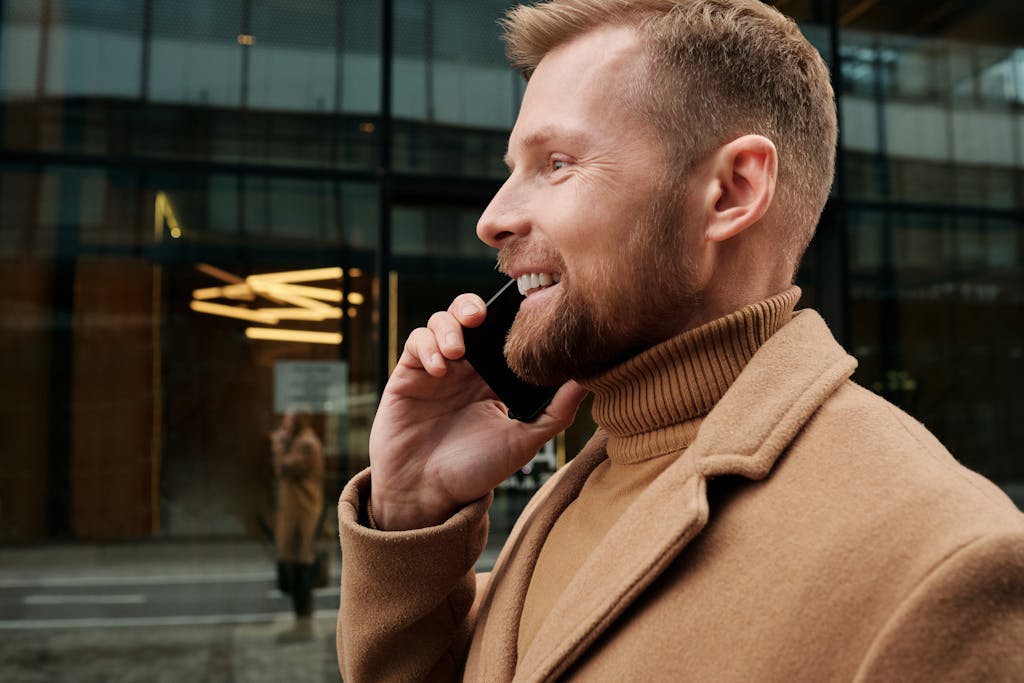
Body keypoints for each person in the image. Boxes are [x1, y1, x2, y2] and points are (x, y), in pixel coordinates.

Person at [337, 0, 1024, 680]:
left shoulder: (943, 565)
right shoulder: (583, 486)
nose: (493, 217)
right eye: (513, 167)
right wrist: (413, 510)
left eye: (556, 162)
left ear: (731, 191)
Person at [270, 406, 324, 641]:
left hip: (302, 516)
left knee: (301, 568)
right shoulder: (301, 441)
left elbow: (284, 468)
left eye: (288, 420)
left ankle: (304, 625)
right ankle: (300, 623)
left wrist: (278, 445)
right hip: (295, 515)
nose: (284, 424)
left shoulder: (305, 444)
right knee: (294, 567)